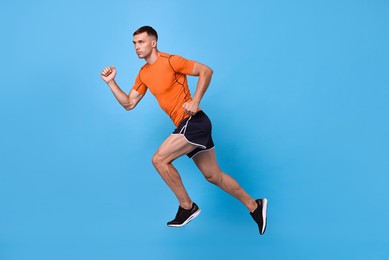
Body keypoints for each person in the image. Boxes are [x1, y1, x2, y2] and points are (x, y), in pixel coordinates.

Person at [101, 25, 268, 235]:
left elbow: (206, 71)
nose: (136, 47)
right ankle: (255, 206)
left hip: (193, 122)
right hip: (189, 127)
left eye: (141, 42)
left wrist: (195, 100)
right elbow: (129, 103)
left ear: (153, 43)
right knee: (213, 175)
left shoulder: (171, 61)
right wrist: (111, 82)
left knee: (159, 160)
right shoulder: (143, 74)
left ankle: (187, 207)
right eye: (134, 43)